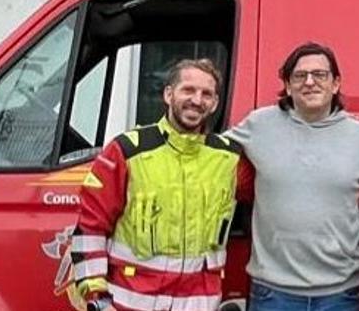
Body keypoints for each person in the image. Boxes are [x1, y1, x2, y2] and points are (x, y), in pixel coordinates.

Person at [226, 42, 359, 311]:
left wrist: (357, 235)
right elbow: (209, 157)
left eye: (320, 75)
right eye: (299, 76)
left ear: (336, 83)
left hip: (340, 294)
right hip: (272, 293)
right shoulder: (258, 125)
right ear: (288, 85)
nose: (309, 82)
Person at [69, 58, 241, 311]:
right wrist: (97, 297)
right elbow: (90, 228)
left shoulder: (230, 159)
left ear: (215, 103)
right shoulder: (126, 151)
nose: (197, 99)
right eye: (188, 90)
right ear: (169, 94)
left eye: (207, 94)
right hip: (129, 303)